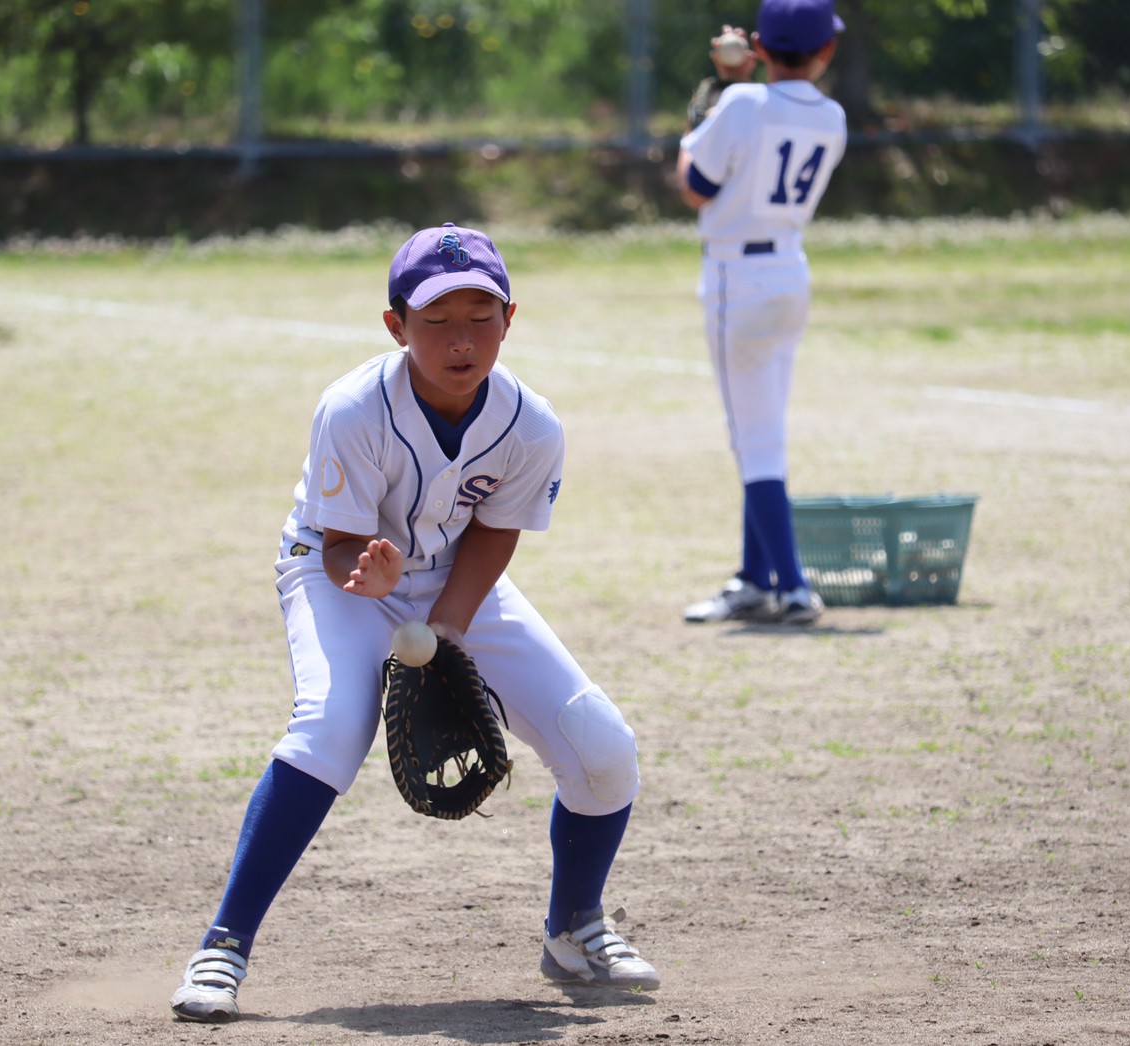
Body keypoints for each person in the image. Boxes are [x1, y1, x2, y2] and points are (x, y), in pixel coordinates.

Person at [168, 223, 660, 1023]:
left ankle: (575, 929)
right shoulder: (356, 408)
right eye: (436, 320)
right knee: (330, 728)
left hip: (454, 582)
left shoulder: (530, 424)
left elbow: (496, 527)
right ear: (396, 326)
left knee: (603, 748)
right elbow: (337, 548)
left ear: (510, 320)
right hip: (339, 575)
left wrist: (449, 629)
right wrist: (370, 577)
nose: (460, 339)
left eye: (480, 315)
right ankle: (223, 945)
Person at [676, 0, 847, 626]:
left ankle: (793, 586)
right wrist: (742, 86)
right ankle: (753, 577)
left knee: (754, 440)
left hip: (734, 275)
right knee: (762, 427)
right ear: (826, 51)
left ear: (760, 46)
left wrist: (718, 97)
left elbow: (697, 185)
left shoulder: (743, 103)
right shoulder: (832, 114)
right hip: (788, 271)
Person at [686, 24, 759, 131]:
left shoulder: (711, 96)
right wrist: (741, 77)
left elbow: (693, 138)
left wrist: (728, 76)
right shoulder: (764, 100)